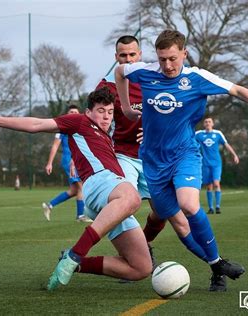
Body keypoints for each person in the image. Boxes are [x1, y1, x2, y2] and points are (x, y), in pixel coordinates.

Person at [115, 29, 248, 291]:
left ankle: (216, 267)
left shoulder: (197, 78)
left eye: (173, 58)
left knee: (188, 203)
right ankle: (217, 266)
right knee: (178, 224)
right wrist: (127, 107)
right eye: (162, 59)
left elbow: (238, 90)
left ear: (184, 54)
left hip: (184, 153)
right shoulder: (145, 71)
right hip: (152, 161)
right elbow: (121, 71)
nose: (167, 65)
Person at [0, 87, 152, 291]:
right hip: (99, 183)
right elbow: (36, 124)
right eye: (101, 111)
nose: (106, 116)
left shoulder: (108, 137)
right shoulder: (79, 122)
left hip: (109, 197)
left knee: (140, 267)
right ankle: (76, 254)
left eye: (110, 112)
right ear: (88, 112)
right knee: (132, 198)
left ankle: (75, 263)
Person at [96, 35, 192, 271]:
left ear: (140, 55)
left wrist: (156, 136)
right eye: (122, 55)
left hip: (156, 160)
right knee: (122, 205)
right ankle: (133, 256)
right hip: (123, 155)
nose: (127, 59)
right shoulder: (107, 86)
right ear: (115, 57)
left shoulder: (156, 78)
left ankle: (145, 244)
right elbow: (95, 123)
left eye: (132, 55)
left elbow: (181, 118)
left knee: (162, 213)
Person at [42, 104, 92, 223]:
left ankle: (49, 205)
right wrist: (49, 163)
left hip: (77, 161)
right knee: (81, 187)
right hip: (69, 162)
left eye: (76, 112)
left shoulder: (80, 128)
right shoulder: (63, 129)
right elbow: (55, 146)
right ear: (67, 115)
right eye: (71, 112)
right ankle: (80, 216)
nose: (73, 114)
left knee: (74, 190)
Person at [195, 117, 239, 214]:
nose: (207, 123)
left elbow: (226, 144)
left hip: (216, 164)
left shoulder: (218, 134)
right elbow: (189, 142)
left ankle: (218, 206)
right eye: (206, 122)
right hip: (205, 164)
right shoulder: (199, 134)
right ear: (203, 124)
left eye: (209, 121)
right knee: (209, 186)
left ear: (213, 123)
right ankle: (211, 208)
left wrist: (234, 155)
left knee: (216, 183)